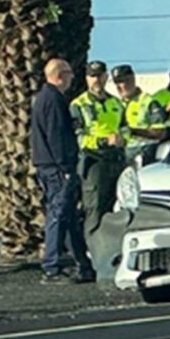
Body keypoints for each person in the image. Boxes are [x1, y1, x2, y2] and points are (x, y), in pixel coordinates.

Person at [30, 57, 93, 283]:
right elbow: (56, 135)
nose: (72, 77)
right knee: (58, 214)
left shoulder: (43, 99)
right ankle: (52, 266)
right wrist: (65, 166)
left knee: (68, 216)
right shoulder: (54, 100)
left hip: (48, 165)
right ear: (59, 76)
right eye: (68, 73)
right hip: (56, 167)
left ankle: (82, 264)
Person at [71, 59, 127, 244]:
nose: (96, 80)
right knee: (95, 208)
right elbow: (78, 139)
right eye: (92, 76)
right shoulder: (79, 105)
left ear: (106, 77)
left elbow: (125, 128)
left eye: (100, 76)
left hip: (117, 160)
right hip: (94, 161)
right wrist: (104, 141)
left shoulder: (116, 103)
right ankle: (93, 253)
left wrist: (122, 138)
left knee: (119, 207)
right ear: (86, 79)